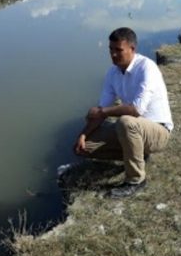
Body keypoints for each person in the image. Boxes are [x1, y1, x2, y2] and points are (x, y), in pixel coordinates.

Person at [74, 27, 174, 198]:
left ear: (132, 49)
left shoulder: (146, 68)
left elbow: (136, 110)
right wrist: (83, 135)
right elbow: (100, 111)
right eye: (111, 50)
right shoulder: (112, 73)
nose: (113, 54)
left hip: (158, 131)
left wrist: (103, 111)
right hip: (133, 130)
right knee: (84, 148)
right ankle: (138, 155)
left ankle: (136, 180)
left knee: (126, 121)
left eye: (118, 50)